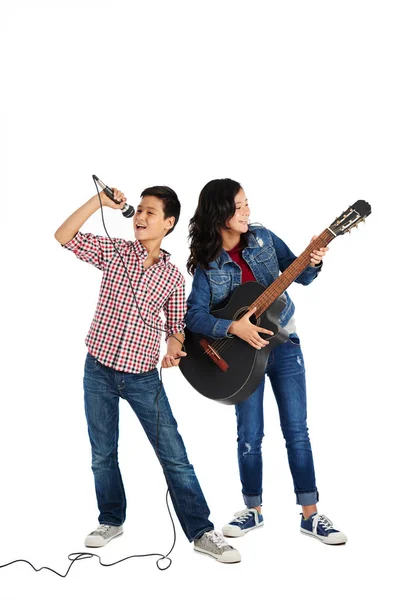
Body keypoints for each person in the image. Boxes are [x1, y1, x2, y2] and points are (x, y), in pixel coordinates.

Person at [54, 184, 241, 563]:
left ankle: (202, 532)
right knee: (102, 454)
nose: (140, 217)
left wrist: (174, 346)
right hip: (98, 370)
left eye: (150, 212)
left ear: (168, 223)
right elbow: (63, 236)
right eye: (138, 210)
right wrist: (100, 202)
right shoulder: (115, 252)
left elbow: (175, 327)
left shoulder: (173, 277)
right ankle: (110, 520)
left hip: (142, 378)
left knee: (174, 457)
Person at [185, 178, 347, 545]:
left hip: (285, 346)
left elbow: (299, 274)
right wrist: (233, 328)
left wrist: (314, 260)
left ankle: (311, 515)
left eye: (246, 204)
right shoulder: (208, 264)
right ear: (220, 213)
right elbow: (193, 317)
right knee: (249, 435)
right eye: (239, 206)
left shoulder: (264, 239)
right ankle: (253, 509)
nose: (247, 211)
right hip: (242, 360)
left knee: (297, 430)